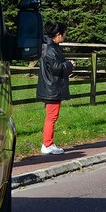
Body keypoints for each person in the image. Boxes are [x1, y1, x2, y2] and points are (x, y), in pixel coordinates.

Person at [36, 23, 75, 155]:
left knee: (51, 116)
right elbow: (56, 67)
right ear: (58, 35)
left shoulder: (48, 46)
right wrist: (69, 64)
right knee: (51, 117)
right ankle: (47, 144)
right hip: (52, 87)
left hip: (50, 86)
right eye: (64, 34)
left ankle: (48, 143)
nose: (65, 36)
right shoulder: (51, 49)